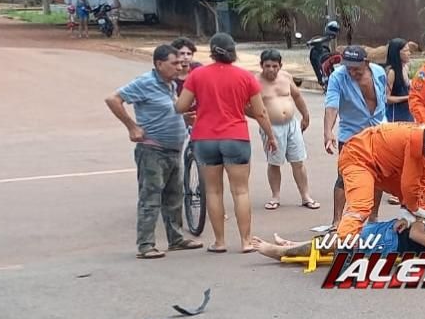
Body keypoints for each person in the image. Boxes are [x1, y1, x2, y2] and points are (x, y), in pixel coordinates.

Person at [175, 33, 278, 254]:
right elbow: (260, 112)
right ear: (233, 51)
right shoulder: (245, 77)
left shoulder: (197, 75)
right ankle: (246, 241)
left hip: (204, 138)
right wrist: (271, 136)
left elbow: (181, 106)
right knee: (241, 191)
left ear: (212, 51)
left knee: (213, 191)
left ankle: (220, 242)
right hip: (236, 137)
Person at [104, 45, 204, 259]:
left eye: (180, 63)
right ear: (159, 64)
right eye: (174, 63)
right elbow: (113, 99)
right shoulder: (145, 82)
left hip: (173, 149)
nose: (179, 67)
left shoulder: (170, 85)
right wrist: (132, 126)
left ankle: (176, 239)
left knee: (174, 196)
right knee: (150, 198)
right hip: (152, 149)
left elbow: (166, 110)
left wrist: (183, 119)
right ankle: (146, 245)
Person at [335, 123, 425, 239]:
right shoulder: (415, 148)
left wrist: (412, 208)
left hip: (377, 161)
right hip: (357, 159)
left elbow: (419, 181)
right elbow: (410, 186)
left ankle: (408, 216)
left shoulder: (421, 143)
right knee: (360, 207)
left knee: (409, 196)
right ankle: (343, 240)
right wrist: (415, 208)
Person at [323, 45, 388, 229]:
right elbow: (332, 105)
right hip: (351, 132)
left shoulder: (379, 72)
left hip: (378, 129)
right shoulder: (338, 77)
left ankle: (373, 218)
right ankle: (337, 220)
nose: (351, 72)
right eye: (348, 68)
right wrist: (328, 131)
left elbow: (383, 98)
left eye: (356, 68)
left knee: (379, 175)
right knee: (344, 176)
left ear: (366, 62)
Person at [250, 217, 425, 261]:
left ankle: (279, 252)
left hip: (392, 243)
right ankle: (293, 246)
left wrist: (416, 218)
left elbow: (417, 234)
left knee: (339, 242)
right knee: (339, 234)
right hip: (392, 231)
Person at [255, 49, 320, 210]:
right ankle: (275, 196)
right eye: (267, 66)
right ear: (261, 65)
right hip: (271, 126)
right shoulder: (255, 82)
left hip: (291, 124)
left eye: (274, 66)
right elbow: (247, 106)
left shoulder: (286, 77)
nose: (271, 69)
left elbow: (297, 96)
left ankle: (305, 196)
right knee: (274, 162)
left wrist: (305, 115)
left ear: (280, 66)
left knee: (298, 161)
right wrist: (262, 122)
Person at [384, 38, 414, 122]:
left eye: (409, 50)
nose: (409, 53)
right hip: (395, 114)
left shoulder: (405, 67)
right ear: (396, 53)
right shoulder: (391, 72)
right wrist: (407, 97)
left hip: (407, 111)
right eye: (405, 51)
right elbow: (387, 99)